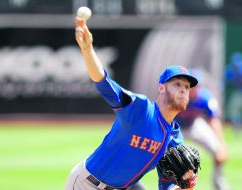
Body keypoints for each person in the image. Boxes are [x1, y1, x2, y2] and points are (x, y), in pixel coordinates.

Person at [66, 17, 199, 190]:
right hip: (88, 184)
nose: (183, 90)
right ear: (161, 88)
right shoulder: (141, 109)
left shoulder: (174, 139)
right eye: (177, 84)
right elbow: (105, 84)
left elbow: (166, 186)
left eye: (187, 87)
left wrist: (186, 184)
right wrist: (88, 49)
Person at [176, 70, 230, 190]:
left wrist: (221, 143)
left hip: (194, 125)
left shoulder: (205, 97)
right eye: (191, 85)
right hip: (176, 127)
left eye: (197, 85)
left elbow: (213, 120)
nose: (194, 88)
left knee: (218, 150)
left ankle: (219, 183)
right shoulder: (177, 97)